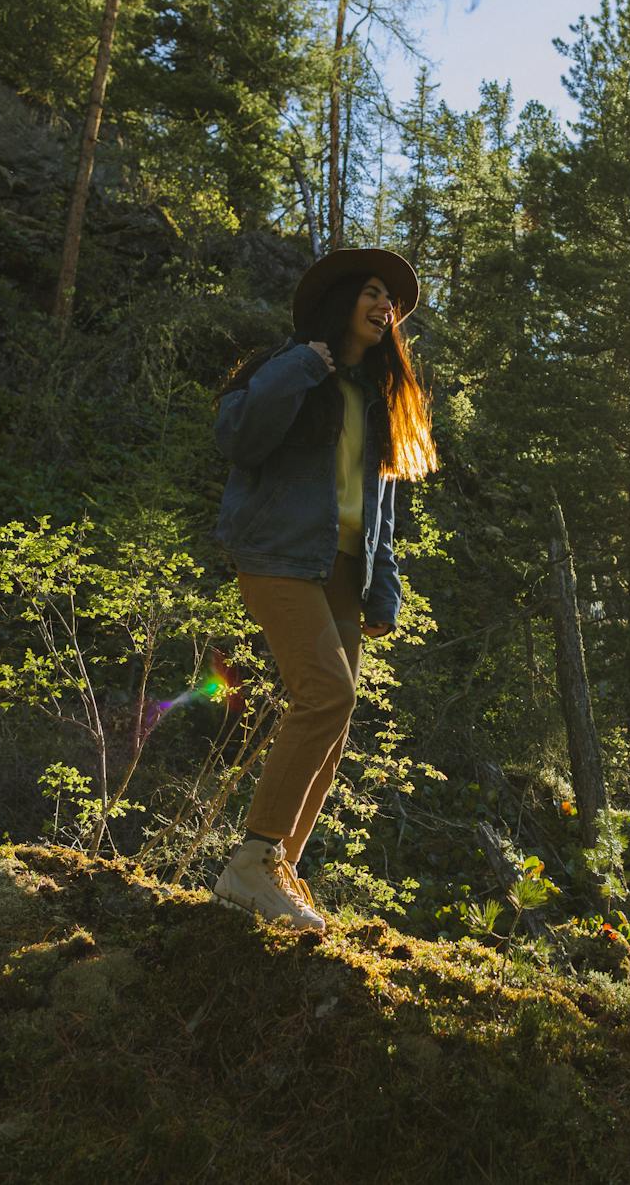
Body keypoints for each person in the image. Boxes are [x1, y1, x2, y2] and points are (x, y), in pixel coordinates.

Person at [207, 247, 438, 932]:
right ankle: (251, 860)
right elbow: (237, 434)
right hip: (278, 556)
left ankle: (278, 872)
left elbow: (382, 507)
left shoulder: (376, 396)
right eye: (372, 292)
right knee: (325, 695)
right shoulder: (294, 367)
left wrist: (384, 588)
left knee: (332, 730)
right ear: (342, 301)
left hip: (343, 572)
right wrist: (306, 363)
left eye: (390, 301)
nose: (384, 307)